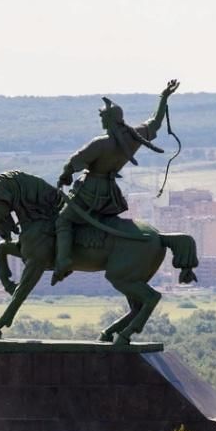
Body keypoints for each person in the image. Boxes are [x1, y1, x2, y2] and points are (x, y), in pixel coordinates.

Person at [51, 78, 179, 283]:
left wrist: (64, 176)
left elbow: (74, 162)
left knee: (63, 220)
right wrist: (163, 98)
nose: (101, 121)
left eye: (103, 117)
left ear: (109, 119)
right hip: (110, 194)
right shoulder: (134, 137)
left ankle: (64, 260)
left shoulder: (101, 143)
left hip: (89, 191)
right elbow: (155, 121)